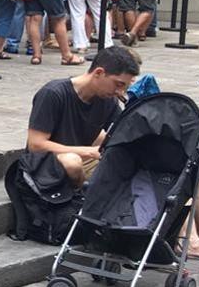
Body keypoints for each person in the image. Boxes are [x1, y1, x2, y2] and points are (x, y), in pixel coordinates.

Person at [20, 46, 135, 190]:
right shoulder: (53, 93)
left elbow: (122, 134)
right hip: (44, 164)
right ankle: (81, 197)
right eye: (118, 84)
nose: (120, 92)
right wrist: (88, 151)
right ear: (99, 73)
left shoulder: (108, 99)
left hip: (83, 160)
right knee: (72, 162)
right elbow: (36, 145)